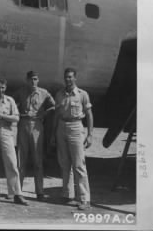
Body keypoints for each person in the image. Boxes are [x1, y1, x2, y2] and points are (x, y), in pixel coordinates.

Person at [51, 67, 93, 210]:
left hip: (76, 127)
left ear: (75, 78)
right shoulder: (59, 94)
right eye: (66, 77)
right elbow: (56, 115)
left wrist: (90, 134)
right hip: (61, 127)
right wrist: (53, 134)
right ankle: (67, 194)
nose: (68, 80)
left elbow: (89, 115)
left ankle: (84, 198)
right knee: (64, 163)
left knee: (79, 165)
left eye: (70, 77)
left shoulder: (82, 94)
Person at [0, 77, 28, 205]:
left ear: (6, 88)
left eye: (3, 87)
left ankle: (16, 193)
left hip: (7, 133)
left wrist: (1, 116)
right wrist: (6, 119)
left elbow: (16, 118)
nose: (1, 90)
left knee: (12, 163)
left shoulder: (10, 101)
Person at [14, 71, 55, 201]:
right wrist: (16, 114)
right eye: (31, 79)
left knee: (38, 161)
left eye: (35, 79)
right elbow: (10, 102)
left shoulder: (44, 93)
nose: (33, 82)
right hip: (23, 124)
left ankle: (40, 191)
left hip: (37, 126)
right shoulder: (21, 92)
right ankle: (18, 191)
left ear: (38, 80)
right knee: (21, 159)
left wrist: (44, 114)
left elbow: (54, 106)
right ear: (26, 80)